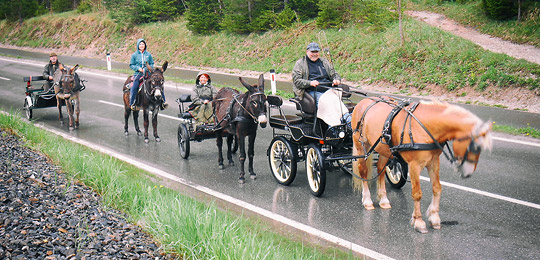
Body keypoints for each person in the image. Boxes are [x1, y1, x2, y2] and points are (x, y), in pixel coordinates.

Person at [292, 42, 351, 126]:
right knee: (329, 104)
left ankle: (348, 121)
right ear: (307, 52)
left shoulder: (324, 62)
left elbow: (334, 74)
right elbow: (297, 81)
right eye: (312, 52)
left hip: (328, 90)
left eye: (316, 52)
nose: (314, 54)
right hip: (311, 92)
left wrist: (336, 79)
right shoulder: (300, 63)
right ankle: (334, 127)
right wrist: (310, 83)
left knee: (338, 103)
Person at [129, 39, 167, 110]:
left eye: (143, 44)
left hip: (148, 74)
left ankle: (163, 102)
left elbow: (152, 63)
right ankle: (132, 103)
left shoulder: (148, 54)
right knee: (134, 86)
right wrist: (138, 68)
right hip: (138, 74)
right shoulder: (134, 55)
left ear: (145, 45)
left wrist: (148, 68)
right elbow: (131, 65)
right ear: (138, 45)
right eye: (140, 44)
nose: (141, 45)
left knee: (158, 84)